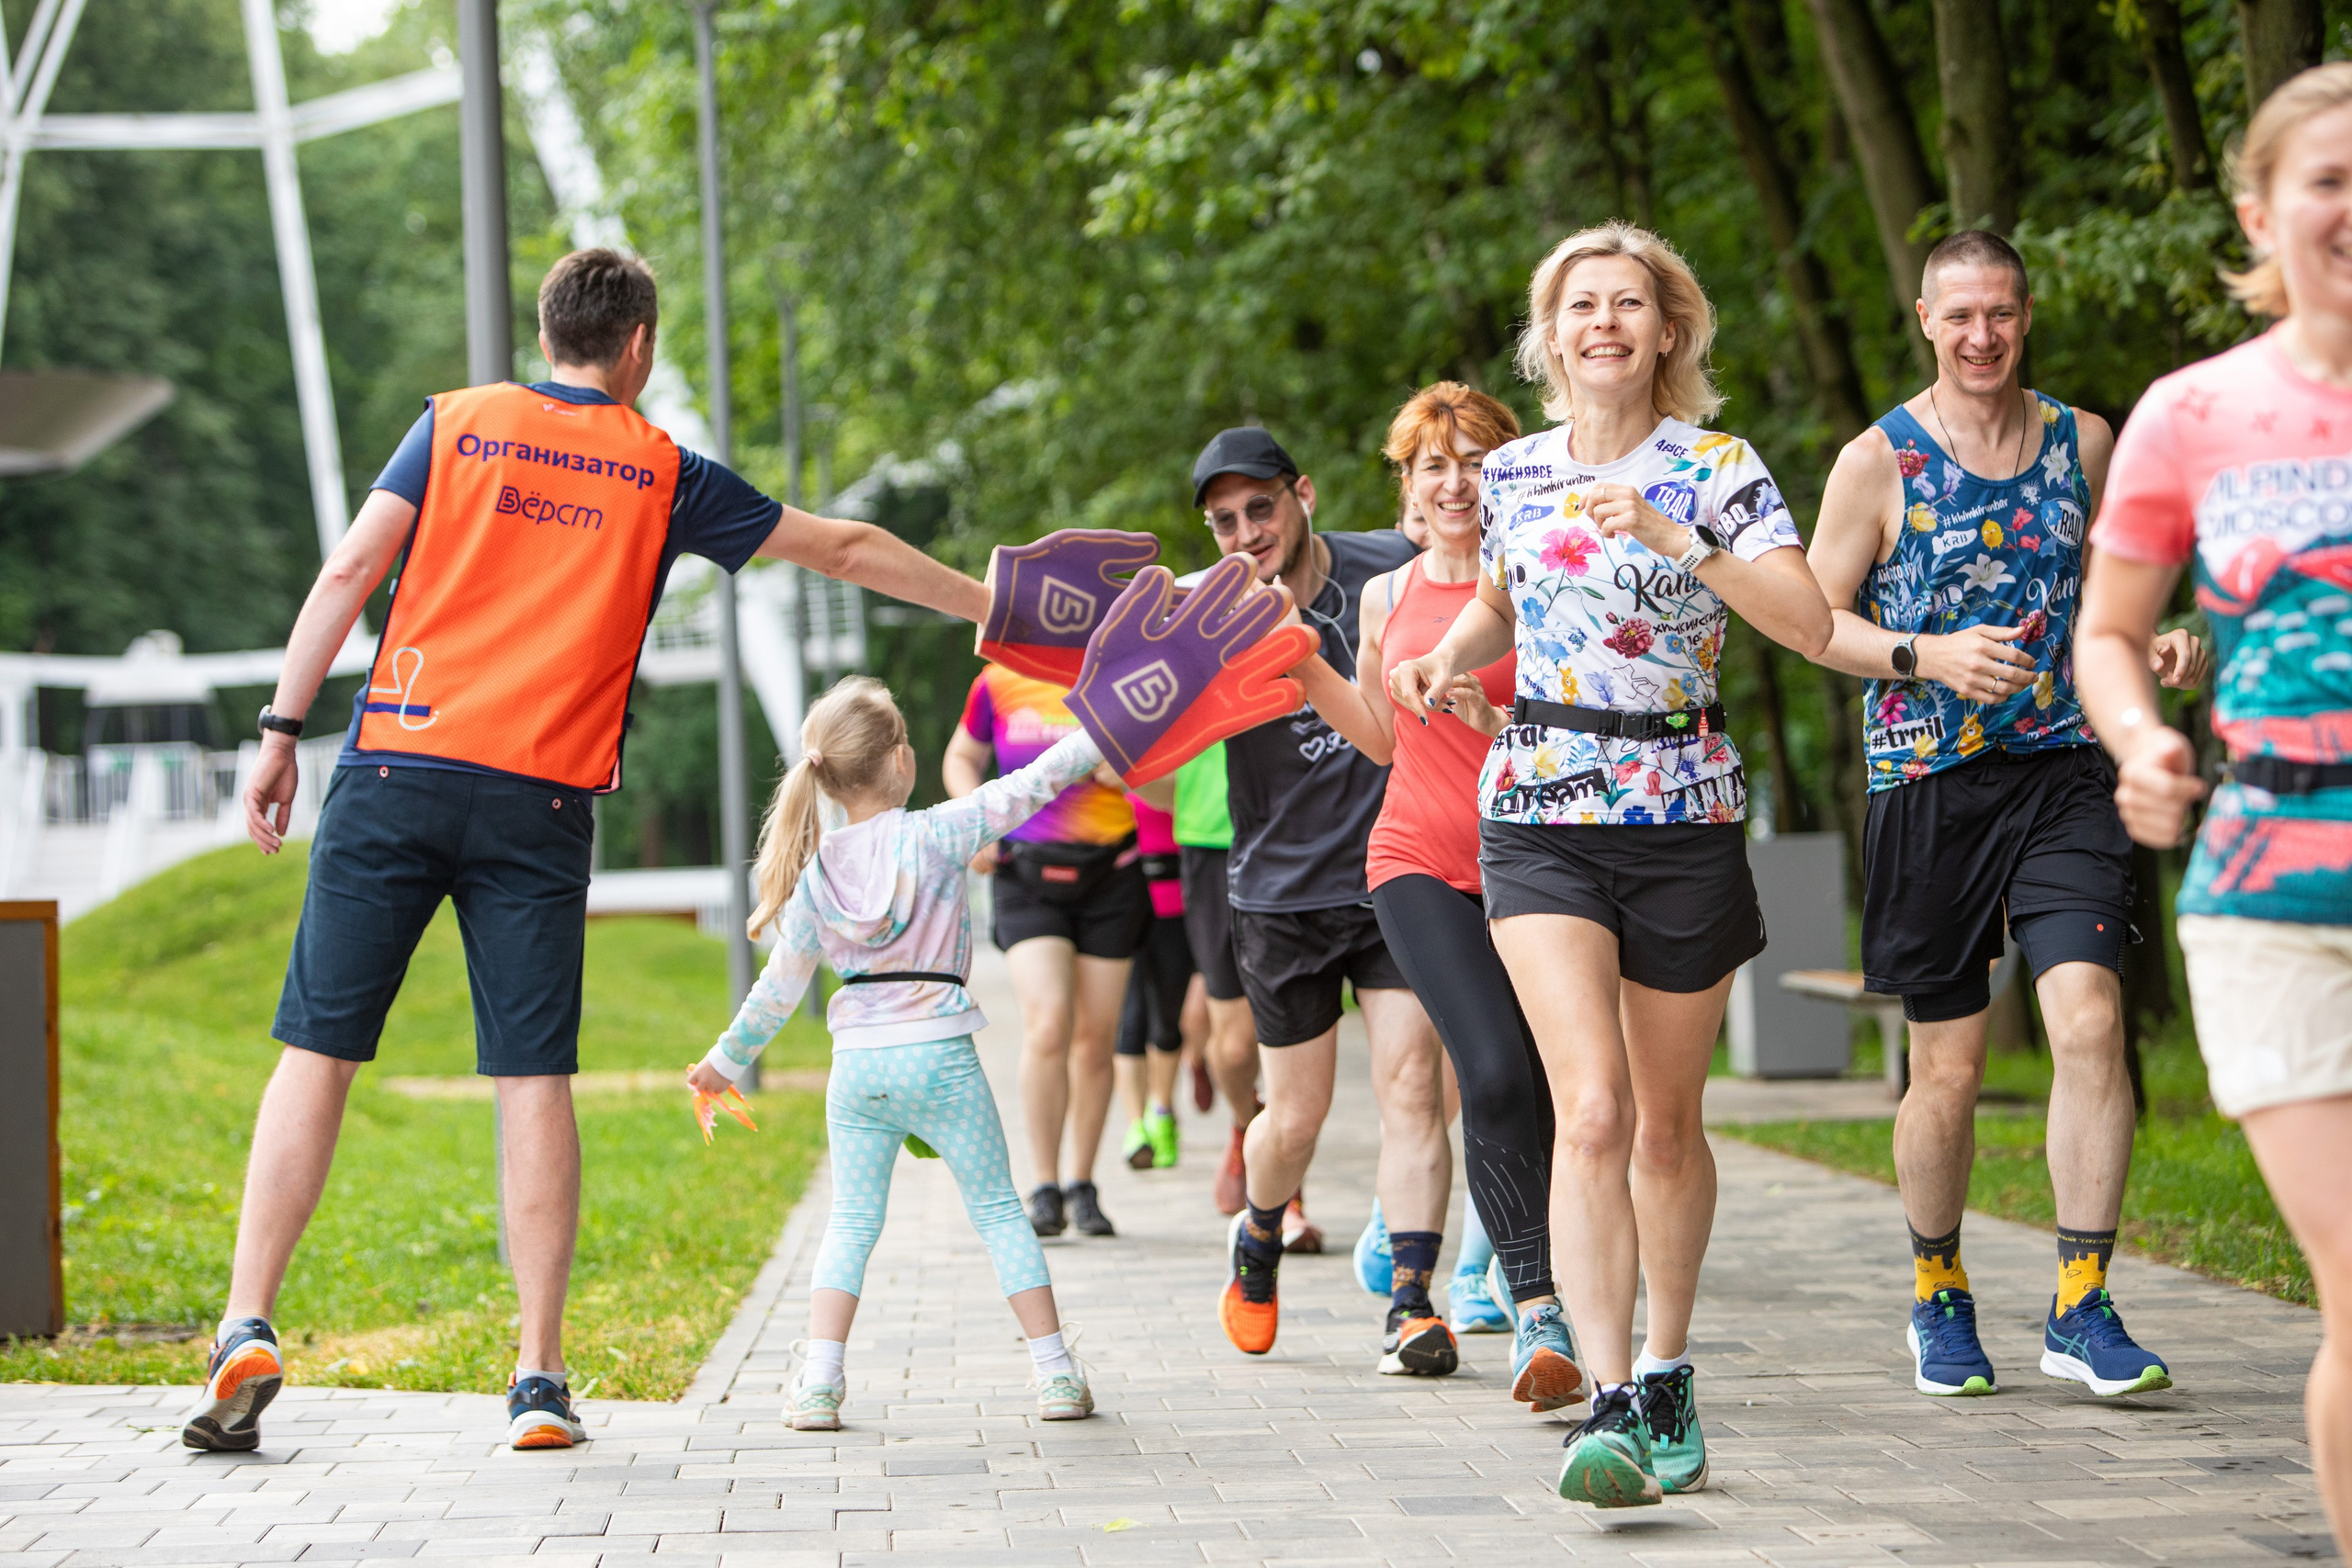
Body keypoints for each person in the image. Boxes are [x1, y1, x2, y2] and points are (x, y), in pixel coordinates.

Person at [181, 249, 998, 1456]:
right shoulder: (663, 468)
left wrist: (279, 728)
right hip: (538, 799)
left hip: (396, 767)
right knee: (531, 1077)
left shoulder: (456, 424)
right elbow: (845, 547)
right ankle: (540, 1374)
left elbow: (351, 570)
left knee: (317, 1050)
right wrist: (998, 607)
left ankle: (247, 1318)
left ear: (548, 333)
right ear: (641, 348)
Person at [1392, 223, 1834, 1506]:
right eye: (1581, 303)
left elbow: (1804, 623)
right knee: (1585, 1109)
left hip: (1680, 808)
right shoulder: (1514, 472)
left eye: (1628, 303)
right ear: (1551, 332)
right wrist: (1448, 656)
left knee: (1664, 1122)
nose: (1604, 323)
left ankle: (1669, 1361)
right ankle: (1611, 1399)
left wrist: (1674, 531)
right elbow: (1507, 604)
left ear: (1668, 329)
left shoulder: (1719, 465)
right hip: (1536, 804)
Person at [1807, 228, 2206, 1404]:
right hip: (1929, 790)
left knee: (2088, 1024)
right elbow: (1812, 619)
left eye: (2003, 315)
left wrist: (2157, 644)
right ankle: (1938, 1291)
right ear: (1923, 319)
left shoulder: (2084, 441)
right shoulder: (1873, 463)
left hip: (2064, 774)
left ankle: (2081, 1303)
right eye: (1960, 316)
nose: (1982, 337)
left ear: (2025, 317)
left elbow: (2114, 604)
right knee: (1949, 1071)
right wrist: (1921, 653)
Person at [2076, 61, 2352, 1557]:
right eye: (2330, 177)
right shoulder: (2195, 414)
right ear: (2263, 210)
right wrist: (2138, 739)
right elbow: (2112, 630)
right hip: (2275, 893)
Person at [687, 677, 1100, 1430]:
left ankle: (818, 1382)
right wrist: (1114, 726)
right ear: (900, 759)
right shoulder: (939, 832)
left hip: (861, 1071)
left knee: (850, 1221)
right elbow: (1036, 782)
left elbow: (777, 992)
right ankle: (1056, 1376)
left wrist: (721, 1061)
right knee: (1002, 1209)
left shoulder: (811, 875)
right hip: (940, 1057)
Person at [1308, 380, 1577, 1406]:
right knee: (1497, 1072)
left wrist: (1493, 714)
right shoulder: (1387, 598)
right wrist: (1304, 673)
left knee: (1553, 1094)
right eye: (1433, 464)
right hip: (1416, 859)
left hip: (1541, 857)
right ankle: (1534, 1307)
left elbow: (1577, 721)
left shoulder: (1547, 580)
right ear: (1409, 483)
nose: (1453, 480)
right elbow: (1383, 736)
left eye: (1472, 459)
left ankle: (1528, 1282)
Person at [1194, 426, 1455, 1377]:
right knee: (1293, 1120)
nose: (1245, 532)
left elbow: (1481, 582)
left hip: (1397, 867)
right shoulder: (1205, 617)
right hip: (1278, 894)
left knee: (1412, 1089)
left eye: (1259, 508)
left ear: (1301, 494)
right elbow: (1135, 729)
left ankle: (1413, 1305)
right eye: (1224, 521)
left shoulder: (1393, 567)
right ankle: (1260, 1231)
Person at [945, 667, 1148, 1238]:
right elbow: (962, 757)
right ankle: (1044, 1186)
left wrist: (1130, 776)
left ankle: (1083, 1184)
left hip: (1111, 874)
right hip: (1026, 875)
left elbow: (1170, 783)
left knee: (1095, 1039)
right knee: (1050, 1023)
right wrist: (976, 817)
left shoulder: (1122, 670)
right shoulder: (997, 679)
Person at [1114, 790, 1199, 1169]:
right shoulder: (1103, 764)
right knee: (1129, 1019)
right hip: (1120, 903)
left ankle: (1161, 1110)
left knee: (1166, 1019)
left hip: (1175, 903)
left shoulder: (1176, 759)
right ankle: (1136, 1127)